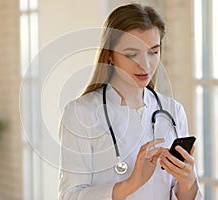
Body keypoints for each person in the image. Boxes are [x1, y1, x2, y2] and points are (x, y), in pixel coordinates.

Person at [58, 3, 202, 200]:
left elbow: (180, 193)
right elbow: (69, 196)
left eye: (153, 51)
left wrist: (189, 182)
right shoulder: (81, 112)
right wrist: (130, 184)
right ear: (109, 55)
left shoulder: (172, 111)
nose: (145, 64)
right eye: (132, 54)